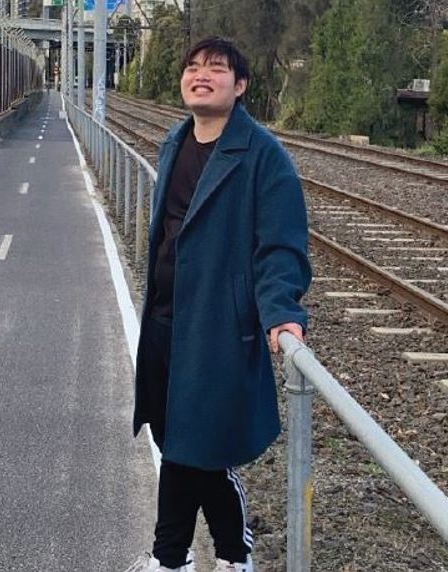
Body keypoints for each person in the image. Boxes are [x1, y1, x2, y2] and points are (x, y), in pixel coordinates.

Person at [127, 37, 312, 572]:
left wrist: (281, 314)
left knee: (196, 448)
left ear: (241, 85)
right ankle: (230, 554)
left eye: (216, 68)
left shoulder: (263, 156)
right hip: (163, 324)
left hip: (217, 331)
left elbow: (281, 247)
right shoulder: (175, 142)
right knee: (177, 441)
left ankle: (172, 558)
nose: (200, 74)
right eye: (192, 67)